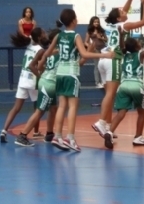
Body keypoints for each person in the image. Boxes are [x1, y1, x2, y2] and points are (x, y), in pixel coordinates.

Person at [38, 9, 115, 152]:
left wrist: (58, 52)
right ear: (74, 21)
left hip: (59, 73)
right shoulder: (76, 36)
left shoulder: (59, 36)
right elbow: (84, 53)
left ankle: (58, 136)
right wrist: (107, 55)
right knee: (73, 106)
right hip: (71, 74)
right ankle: (71, 138)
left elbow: (47, 52)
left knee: (61, 106)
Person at [15, 29, 95, 147]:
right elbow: (80, 63)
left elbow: (40, 65)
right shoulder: (62, 54)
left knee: (54, 109)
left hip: (48, 81)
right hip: (49, 84)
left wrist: (44, 73)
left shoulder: (51, 52)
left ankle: (49, 134)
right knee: (40, 111)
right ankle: (22, 135)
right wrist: (90, 48)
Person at [92, 0, 144, 149]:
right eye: (122, 12)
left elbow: (122, 11)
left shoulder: (111, 25)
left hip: (103, 58)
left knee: (107, 93)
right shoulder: (122, 26)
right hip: (112, 59)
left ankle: (106, 123)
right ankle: (102, 122)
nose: (125, 12)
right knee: (110, 94)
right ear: (119, 18)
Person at [106, 18, 144, 149]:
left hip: (123, 86)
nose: (139, 42)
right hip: (137, 86)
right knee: (141, 112)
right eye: (138, 42)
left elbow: (121, 46)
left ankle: (109, 132)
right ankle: (138, 137)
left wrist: (121, 35)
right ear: (137, 46)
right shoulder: (140, 55)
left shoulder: (124, 55)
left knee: (121, 112)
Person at [0, 27, 47, 143]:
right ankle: (35, 132)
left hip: (23, 79)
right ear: (40, 36)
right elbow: (39, 66)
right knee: (38, 108)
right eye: (43, 33)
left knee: (16, 108)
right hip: (32, 80)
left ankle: (3, 131)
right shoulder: (40, 50)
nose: (45, 34)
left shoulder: (29, 45)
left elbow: (30, 37)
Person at [84, 16, 107, 88]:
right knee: (97, 66)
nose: (96, 23)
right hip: (95, 50)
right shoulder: (89, 31)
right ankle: (97, 82)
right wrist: (91, 47)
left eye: (97, 22)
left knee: (103, 65)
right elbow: (86, 42)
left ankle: (104, 81)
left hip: (103, 49)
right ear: (92, 23)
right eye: (95, 22)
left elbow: (106, 39)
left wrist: (101, 38)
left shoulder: (101, 31)